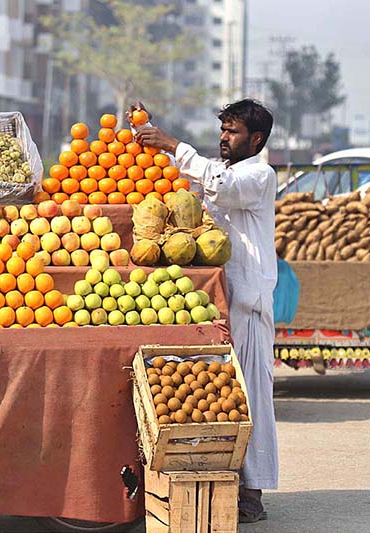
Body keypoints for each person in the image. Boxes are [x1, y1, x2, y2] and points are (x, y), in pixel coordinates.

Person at [131, 99, 278, 523]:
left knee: (252, 397)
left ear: (257, 139)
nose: (225, 139)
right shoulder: (225, 172)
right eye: (223, 131)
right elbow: (195, 183)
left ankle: (253, 492)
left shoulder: (258, 175)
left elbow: (219, 185)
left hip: (248, 303)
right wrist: (149, 133)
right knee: (225, 394)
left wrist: (171, 142)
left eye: (233, 133)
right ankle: (227, 483)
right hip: (220, 300)